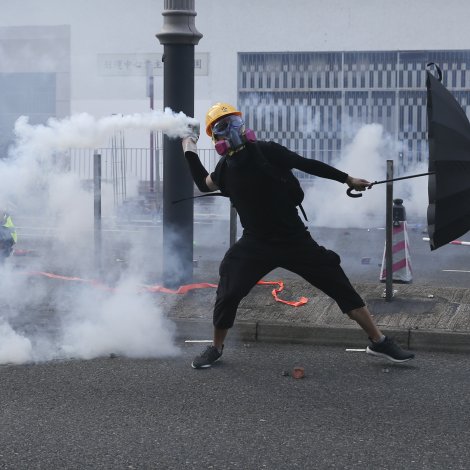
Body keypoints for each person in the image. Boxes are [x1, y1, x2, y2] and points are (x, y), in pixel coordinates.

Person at [182, 102, 415, 369]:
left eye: (234, 122)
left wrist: (347, 178)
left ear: (242, 124)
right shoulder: (225, 168)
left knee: (338, 283)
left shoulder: (268, 150)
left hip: (294, 239)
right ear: (216, 138)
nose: (232, 129)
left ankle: (378, 341)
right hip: (256, 242)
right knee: (228, 291)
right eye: (223, 127)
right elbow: (203, 183)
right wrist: (189, 145)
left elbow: (306, 164)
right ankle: (216, 347)